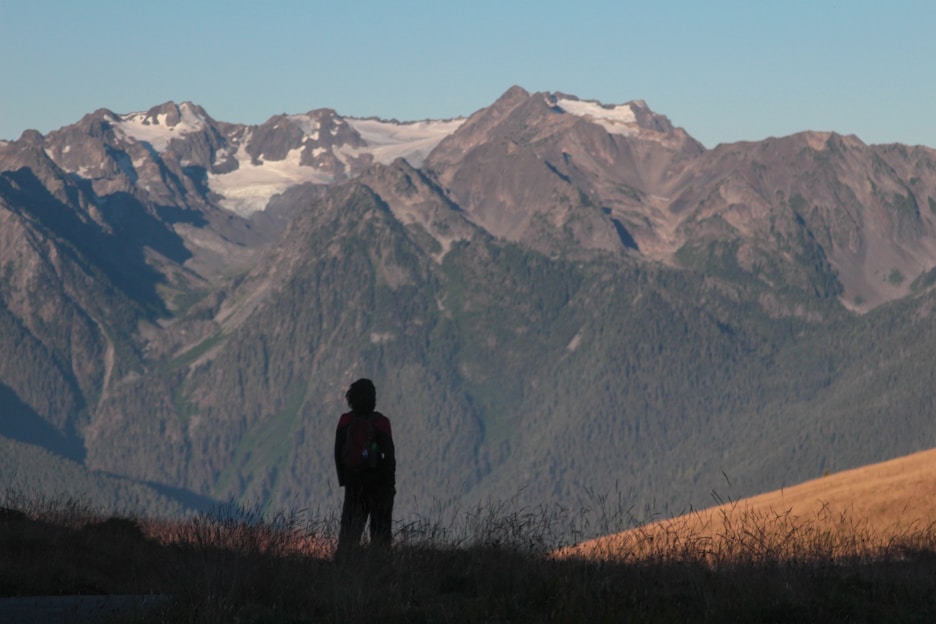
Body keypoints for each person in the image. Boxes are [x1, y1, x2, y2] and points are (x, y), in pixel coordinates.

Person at [334, 378, 396, 560]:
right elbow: (389, 456)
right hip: (380, 488)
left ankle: (343, 571)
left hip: (354, 485)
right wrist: (390, 485)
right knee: (381, 537)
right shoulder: (381, 422)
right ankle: (380, 573)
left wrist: (345, 480)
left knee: (349, 536)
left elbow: (338, 453)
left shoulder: (345, 422)